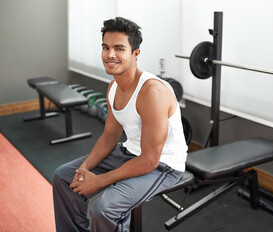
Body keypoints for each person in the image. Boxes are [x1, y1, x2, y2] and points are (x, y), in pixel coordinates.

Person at [52, 17, 188, 232]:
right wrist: (84, 168)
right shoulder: (113, 87)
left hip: (163, 165)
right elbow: (109, 135)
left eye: (119, 48)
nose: (110, 55)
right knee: (64, 178)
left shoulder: (152, 93)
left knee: (104, 208)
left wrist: (98, 181)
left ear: (136, 53)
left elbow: (150, 159)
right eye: (106, 48)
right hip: (128, 152)